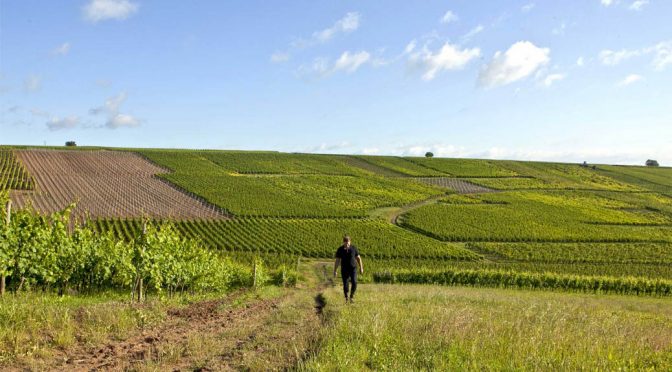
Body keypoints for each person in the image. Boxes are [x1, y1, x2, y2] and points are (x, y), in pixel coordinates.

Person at [333, 235, 364, 303]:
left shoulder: (354, 248)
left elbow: (358, 258)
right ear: (343, 242)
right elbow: (337, 260)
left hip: (353, 268)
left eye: (348, 242)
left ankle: (351, 296)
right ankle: (346, 297)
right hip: (344, 269)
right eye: (346, 242)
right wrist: (335, 270)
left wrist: (361, 268)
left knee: (354, 282)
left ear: (350, 242)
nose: (347, 243)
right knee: (346, 284)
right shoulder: (340, 249)